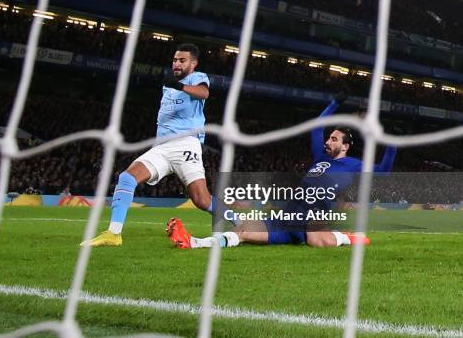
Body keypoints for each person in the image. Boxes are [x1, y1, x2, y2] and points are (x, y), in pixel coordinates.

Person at [167, 94, 397, 249]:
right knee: (243, 229)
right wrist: (334, 104)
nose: (328, 141)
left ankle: (345, 238)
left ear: (345, 146)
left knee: (316, 240)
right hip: (286, 218)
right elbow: (317, 126)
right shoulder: (320, 157)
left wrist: (392, 143)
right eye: (329, 137)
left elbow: (383, 172)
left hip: (311, 221)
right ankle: (193, 242)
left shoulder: (354, 165)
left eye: (334, 138)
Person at [81, 43, 215, 246]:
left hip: (186, 145)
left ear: (193, 63)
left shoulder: (197, 78)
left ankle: (238, 220)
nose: (176, 63)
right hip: (161, 147)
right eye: (175, 60)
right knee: (127, 177)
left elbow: (204, 93)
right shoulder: (167, 85)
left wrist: (178, 86)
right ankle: (113, 234)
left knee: (202, 201)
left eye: (182, 60)